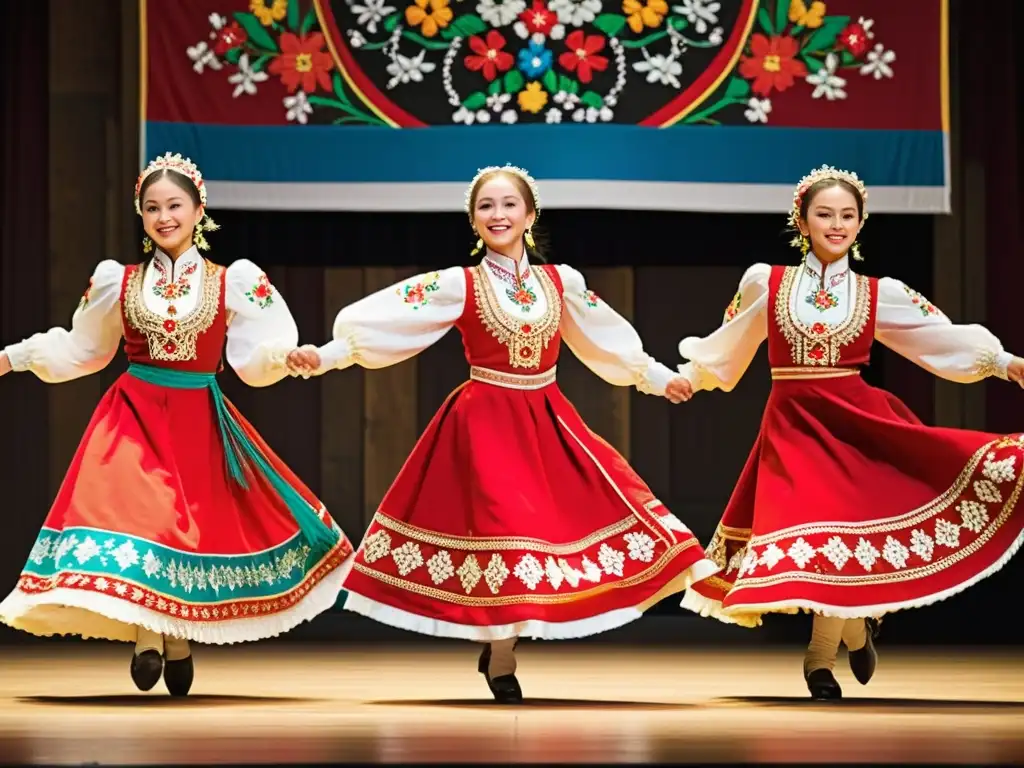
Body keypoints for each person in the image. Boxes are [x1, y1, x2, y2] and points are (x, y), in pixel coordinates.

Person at [286, 164, 719, 703]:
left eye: (509, 205)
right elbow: (391, 323)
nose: (498, 214)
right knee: (504, 530)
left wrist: (657, 377)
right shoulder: (459, 283)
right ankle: (504, 654)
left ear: (530, 216)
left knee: (580, 514)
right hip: (484, 423)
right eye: (486, 206)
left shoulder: (562, 282)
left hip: (546, 418)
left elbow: (604, 339)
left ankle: (499, 647)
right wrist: (325, 355)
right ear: (473, 220)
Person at [0, 152, 353, 696]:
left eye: (174, 205)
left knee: (182, 530)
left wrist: (287, 358)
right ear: (140, 217)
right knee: (143, 521)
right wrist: (14, 356)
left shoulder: (232, 280)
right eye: (151, 208)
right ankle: (148, 634)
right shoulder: (116, 281)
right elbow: (83, 348)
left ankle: (178, 635)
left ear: (197, 209)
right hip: (133, 414)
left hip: (195, 417)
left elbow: (257, 353)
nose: (163, 216)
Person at [670, 164, 1024, 699]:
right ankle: (850, 631)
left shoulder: (879, 292)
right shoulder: (766, 281)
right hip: (793, 425)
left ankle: (818, 659)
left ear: (860, 223)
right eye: (824, 214)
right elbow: (730, 340)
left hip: (854, 421)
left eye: (847, 215)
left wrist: (1004, 362)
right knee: (815, 533)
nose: (836, 224)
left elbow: (935, 336)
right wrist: (689, 378)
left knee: (836, 531)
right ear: (803, 220)